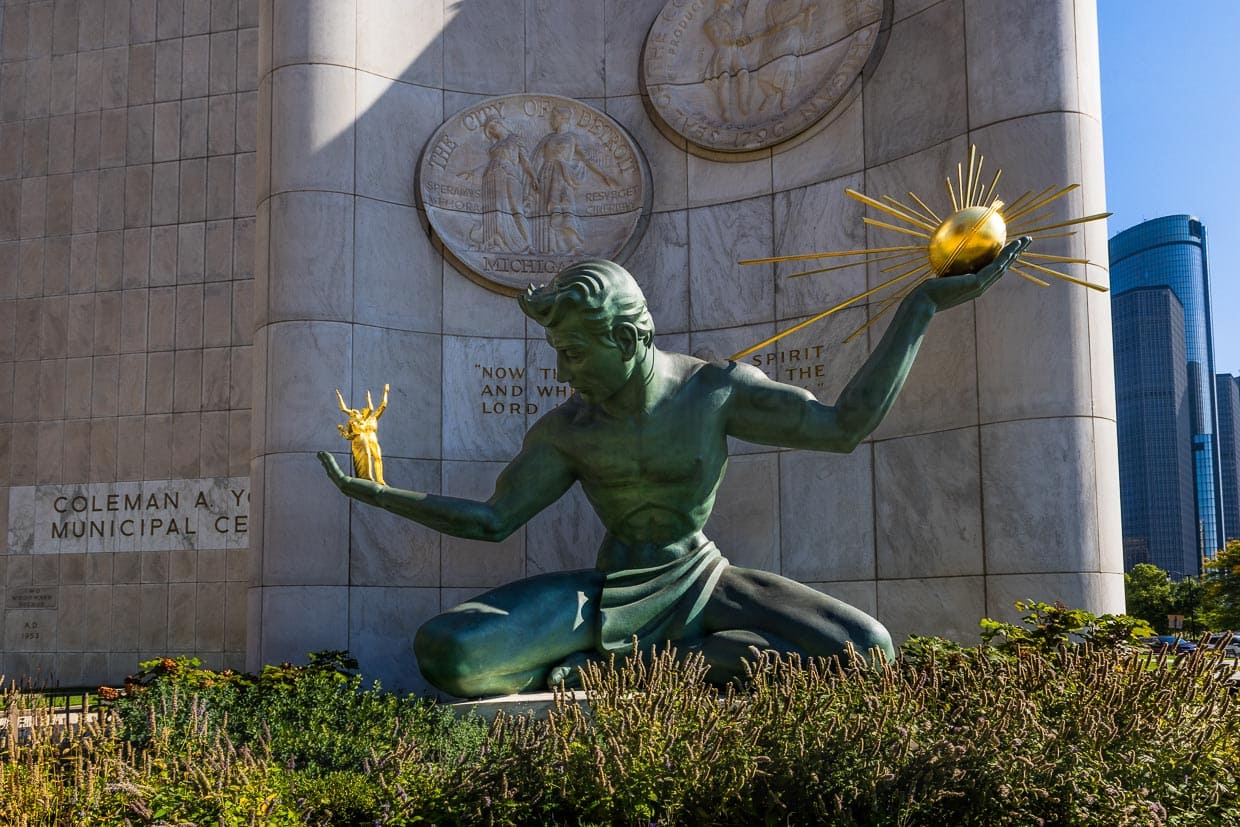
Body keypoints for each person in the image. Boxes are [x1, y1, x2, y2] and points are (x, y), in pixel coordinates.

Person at [319, 239, 1029, 696]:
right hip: (608, 590)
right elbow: (492, 519)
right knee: (448, 651)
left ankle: (646, 666)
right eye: (558, 352)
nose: (562, 369)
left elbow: (844, 427)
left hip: (705, 580)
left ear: (628, 337)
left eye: (573, 351)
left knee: (867, 651)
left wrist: (921, 306)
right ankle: (657, 661)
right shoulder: (567, 430)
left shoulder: (713, 391)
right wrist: (378, 494)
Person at [334, 384, 389, 486]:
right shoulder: (361, 420)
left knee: (378, 458)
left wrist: (385, 392)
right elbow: (345, 409)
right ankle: (366, 476)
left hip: (373, 438)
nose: (365, 409)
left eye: (366, 409)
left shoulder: (373, 418)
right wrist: (340, 397)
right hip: (363, 439)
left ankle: (380, 480)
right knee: (366, 457)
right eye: (364, 410)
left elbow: (383, 405)